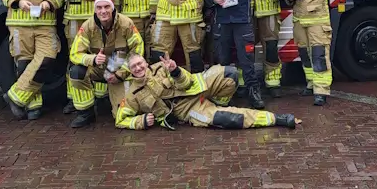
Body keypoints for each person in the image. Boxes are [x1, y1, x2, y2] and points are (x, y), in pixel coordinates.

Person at [114, 53, 298, 130]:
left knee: (230, 74)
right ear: (130, 70)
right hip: (187, 109)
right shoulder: (132, 95)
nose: (138, 68)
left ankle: (219, 102)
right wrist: (141, 121)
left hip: (197, 86)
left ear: (145, 62)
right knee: (228, 119)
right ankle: (276, 119)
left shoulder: (162, 67)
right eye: (134, 66)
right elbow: (120, 120)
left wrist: (175, 71)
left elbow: (186, 82)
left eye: (140, 63)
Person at [0, 0, 65, 121]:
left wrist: (49, 2)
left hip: (45, 24)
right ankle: (33, 106)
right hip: (19, 24)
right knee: (24, 65)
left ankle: (15, 96)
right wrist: (18, 1)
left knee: (46, 60)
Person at [271, 0, 351, 106]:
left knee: (319, 56)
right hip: (299, 22)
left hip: (317, 22)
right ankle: (311, 83)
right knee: (305, 55)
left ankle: (321, 91)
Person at [206, 0, 272, 108]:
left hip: (243, 23)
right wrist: (213, 0)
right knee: (222, 60)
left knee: (247, 61)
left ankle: (254, 94)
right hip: (222, 23)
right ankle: (222, 94)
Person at [66, 0, 145, 128]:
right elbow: (75, 53)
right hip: (99, 67)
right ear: (95, 10)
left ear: (112, 8)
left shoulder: (126, 23)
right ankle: (86, 113)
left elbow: (138, 49)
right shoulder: (87, 26)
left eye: (107, 7)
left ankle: (112, 102)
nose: (103, 11)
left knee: (121, 114)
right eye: (99, 8)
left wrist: (121, 73)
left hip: (119, 69)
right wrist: (93, 59)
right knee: (76, 72)